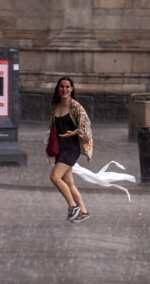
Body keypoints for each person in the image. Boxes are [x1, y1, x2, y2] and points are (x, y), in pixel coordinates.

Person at [48, 76, 94, 223]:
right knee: (68, 183)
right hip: (60, 148)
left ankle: (73, 207)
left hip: (71, 148)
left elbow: (86, 125)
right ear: (58, 89)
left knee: (55, 177)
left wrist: (73, 132)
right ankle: (84, 212)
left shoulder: (75, 106)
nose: (64, 89)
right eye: (62, 86)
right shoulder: (56, 105)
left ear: (72, 89)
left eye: (68, 87)